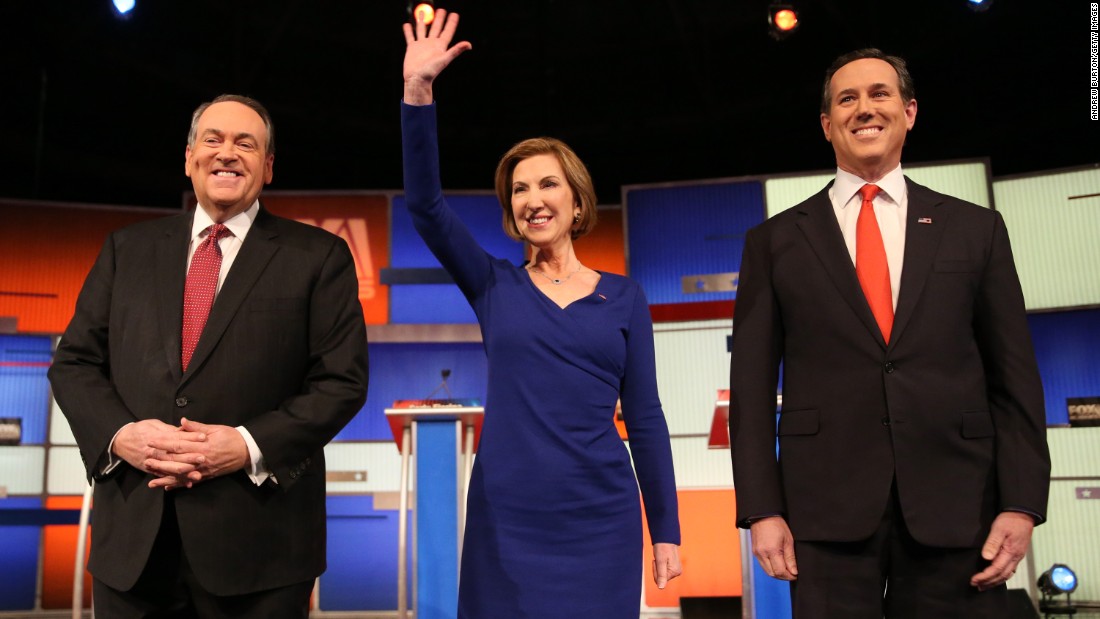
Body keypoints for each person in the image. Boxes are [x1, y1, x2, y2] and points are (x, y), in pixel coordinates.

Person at [728, 49, 1050, 618]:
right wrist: (761, 510)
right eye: (845, 99)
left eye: (879, 94)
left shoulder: (975, 230)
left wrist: (1021, 503)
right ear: (827, 125)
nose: (864, 109)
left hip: (959, 504)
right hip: (823, 512)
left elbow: (1014, 379)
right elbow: (750, 394)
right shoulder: (774, 242)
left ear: (909, 111)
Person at [401, 11, 681, 618]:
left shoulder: (625, 296)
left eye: (547, 185)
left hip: (600, 516)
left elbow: (647, 418)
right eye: (519, 190)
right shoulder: (493, 285)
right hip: (508, 518)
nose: (532, 199)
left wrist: (666, 529)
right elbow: (425, 207)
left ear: (576, 200)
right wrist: (418, 93)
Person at [48, 94, 369, 618]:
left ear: (267, 167)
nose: (228, 153)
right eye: (213, 139)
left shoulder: (319, 256)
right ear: (189, 157)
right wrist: (120, 435)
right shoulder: (125, 250)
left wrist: (246, 446)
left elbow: (341, 382)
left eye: (247, 144)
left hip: (262, 551)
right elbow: (75, 363)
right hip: (134, 546)